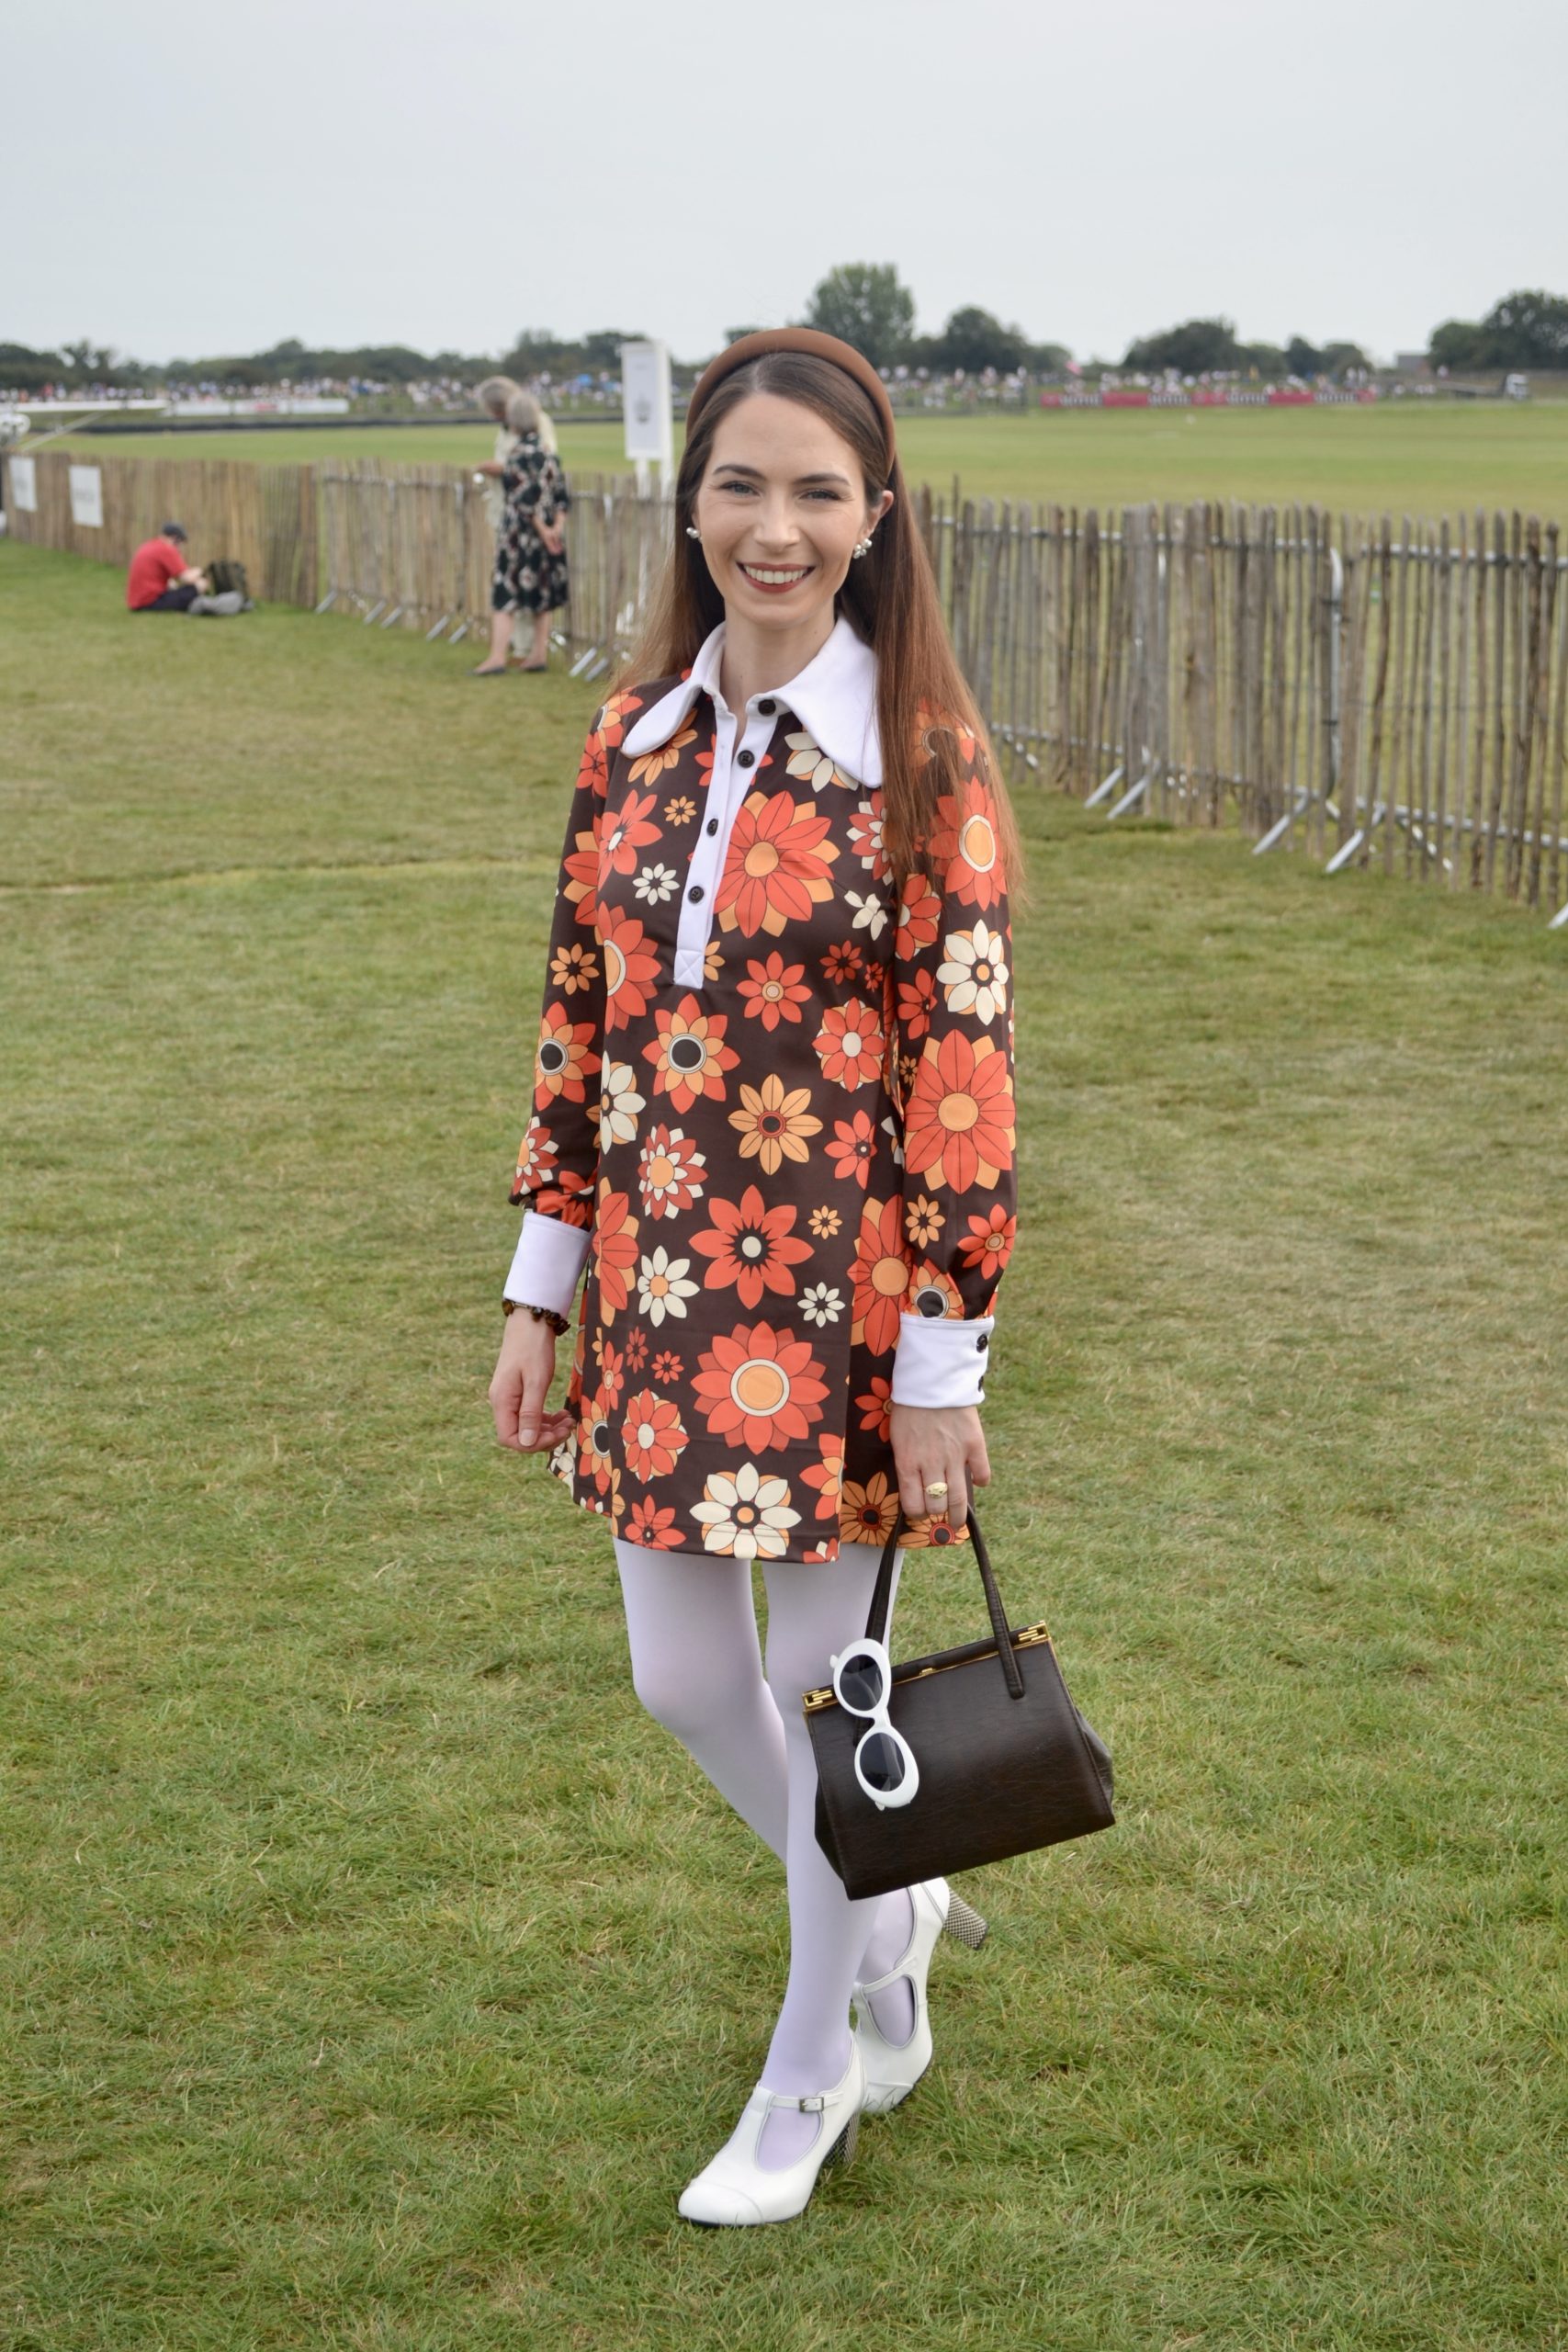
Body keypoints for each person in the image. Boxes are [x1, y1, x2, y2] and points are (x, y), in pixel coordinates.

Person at [489, 329, 1022, 2225]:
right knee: (672, 1678)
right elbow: (578, 1027)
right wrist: (539, 1284)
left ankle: (824, 2059)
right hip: (652, 1290)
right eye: (741, 485)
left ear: (874, 518)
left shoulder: (922, 763)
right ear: (689, 500)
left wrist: (941, 1358)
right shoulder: (628, 741)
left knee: (815, 1691)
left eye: (815, 491)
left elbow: (962, 1076)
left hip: (841, 1307)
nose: (773, 526)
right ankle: (893, 1902)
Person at [470, 388, 570, 676]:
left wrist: (540, 528)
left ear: (514, 422)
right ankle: (538, 654)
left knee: (505, 594)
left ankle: (497, 657)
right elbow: (561, 496)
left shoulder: (517, 456)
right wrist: (554, 529)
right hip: (547, 534)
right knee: (542, 594)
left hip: (519, 536)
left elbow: (524, 500)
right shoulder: (550, 455)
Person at [127, 522, 207, 612]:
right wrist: (200, 570)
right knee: (200, 584)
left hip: (136, 601)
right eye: (180, 542)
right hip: (150, 601)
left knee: (173, 586)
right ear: (175, 539)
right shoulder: (167, 549)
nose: (180, 547)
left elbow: (170, 581)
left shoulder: (150, 545)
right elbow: (187, 578)